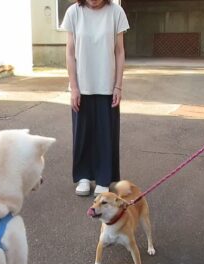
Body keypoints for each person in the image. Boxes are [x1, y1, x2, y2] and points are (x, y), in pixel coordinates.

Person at [61, 0, 129, 196]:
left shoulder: (116, 12)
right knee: (82, 133)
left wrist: (118, 85)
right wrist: (74, 87)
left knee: (106, 135)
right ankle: (83, 176)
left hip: (107, 85)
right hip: (82, 85)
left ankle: (103, 178)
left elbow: (119, 51)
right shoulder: (73, 12)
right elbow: (70, 52)